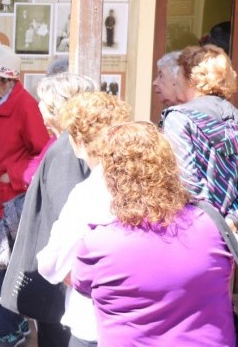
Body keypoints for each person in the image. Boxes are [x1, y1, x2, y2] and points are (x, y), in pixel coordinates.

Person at [72, 122, 235, 347]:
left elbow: (80, 284)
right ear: (169, 167)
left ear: (112, 178)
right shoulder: (211, 224)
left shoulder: (97, 244)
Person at [0, 74, 96, 347]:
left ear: (58, 108)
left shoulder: (66, 150)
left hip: (62, 282)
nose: (38, 108)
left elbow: (68, 215)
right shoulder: (69, 144)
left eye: (43, 102)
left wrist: (66, 270)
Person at [35, 92, 131, 347]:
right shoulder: (141, 182)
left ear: (78, 140)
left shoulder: (89, 192)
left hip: (95, 318)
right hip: (140, 320)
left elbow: (52, 261)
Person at [0, 43, 49, 347]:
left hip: (7, 201)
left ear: (5, 77)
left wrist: (14, 175)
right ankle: (9, 324)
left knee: (1, 265)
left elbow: (43, 151)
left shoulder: (25, 106)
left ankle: (13, 330)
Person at [161, 45, 238, 226]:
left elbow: (184, 182)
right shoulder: (234, 116)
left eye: (178, 75)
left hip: (195, 227)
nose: (175, 82)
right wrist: (232, 222)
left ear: (191, 79)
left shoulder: (179, 119)